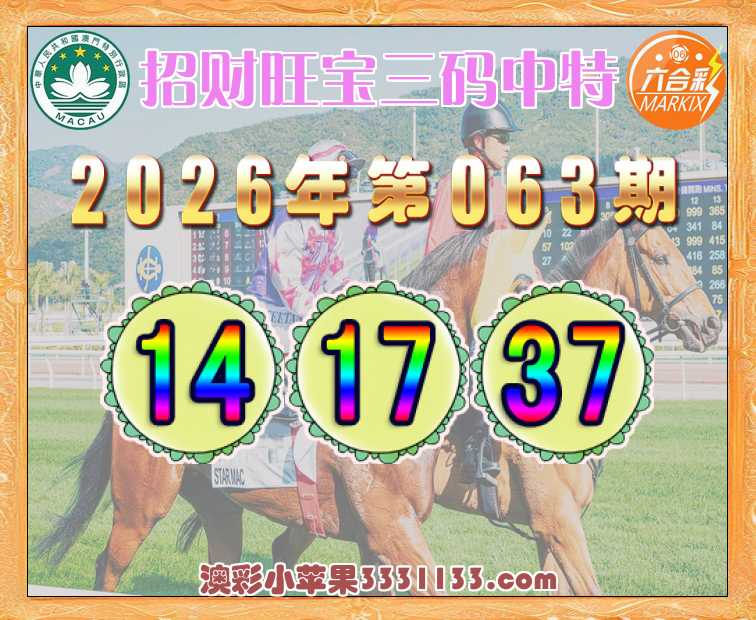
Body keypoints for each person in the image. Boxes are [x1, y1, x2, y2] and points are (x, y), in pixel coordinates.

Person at [425, 102, 522, 492]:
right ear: (478, 141)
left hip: (492, 301)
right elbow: (438, 252)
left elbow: (513, 250)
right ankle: (472, 449)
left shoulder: (498, 189)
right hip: (459, 306)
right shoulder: (457, 184)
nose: (507, 146)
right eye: (501, 138)